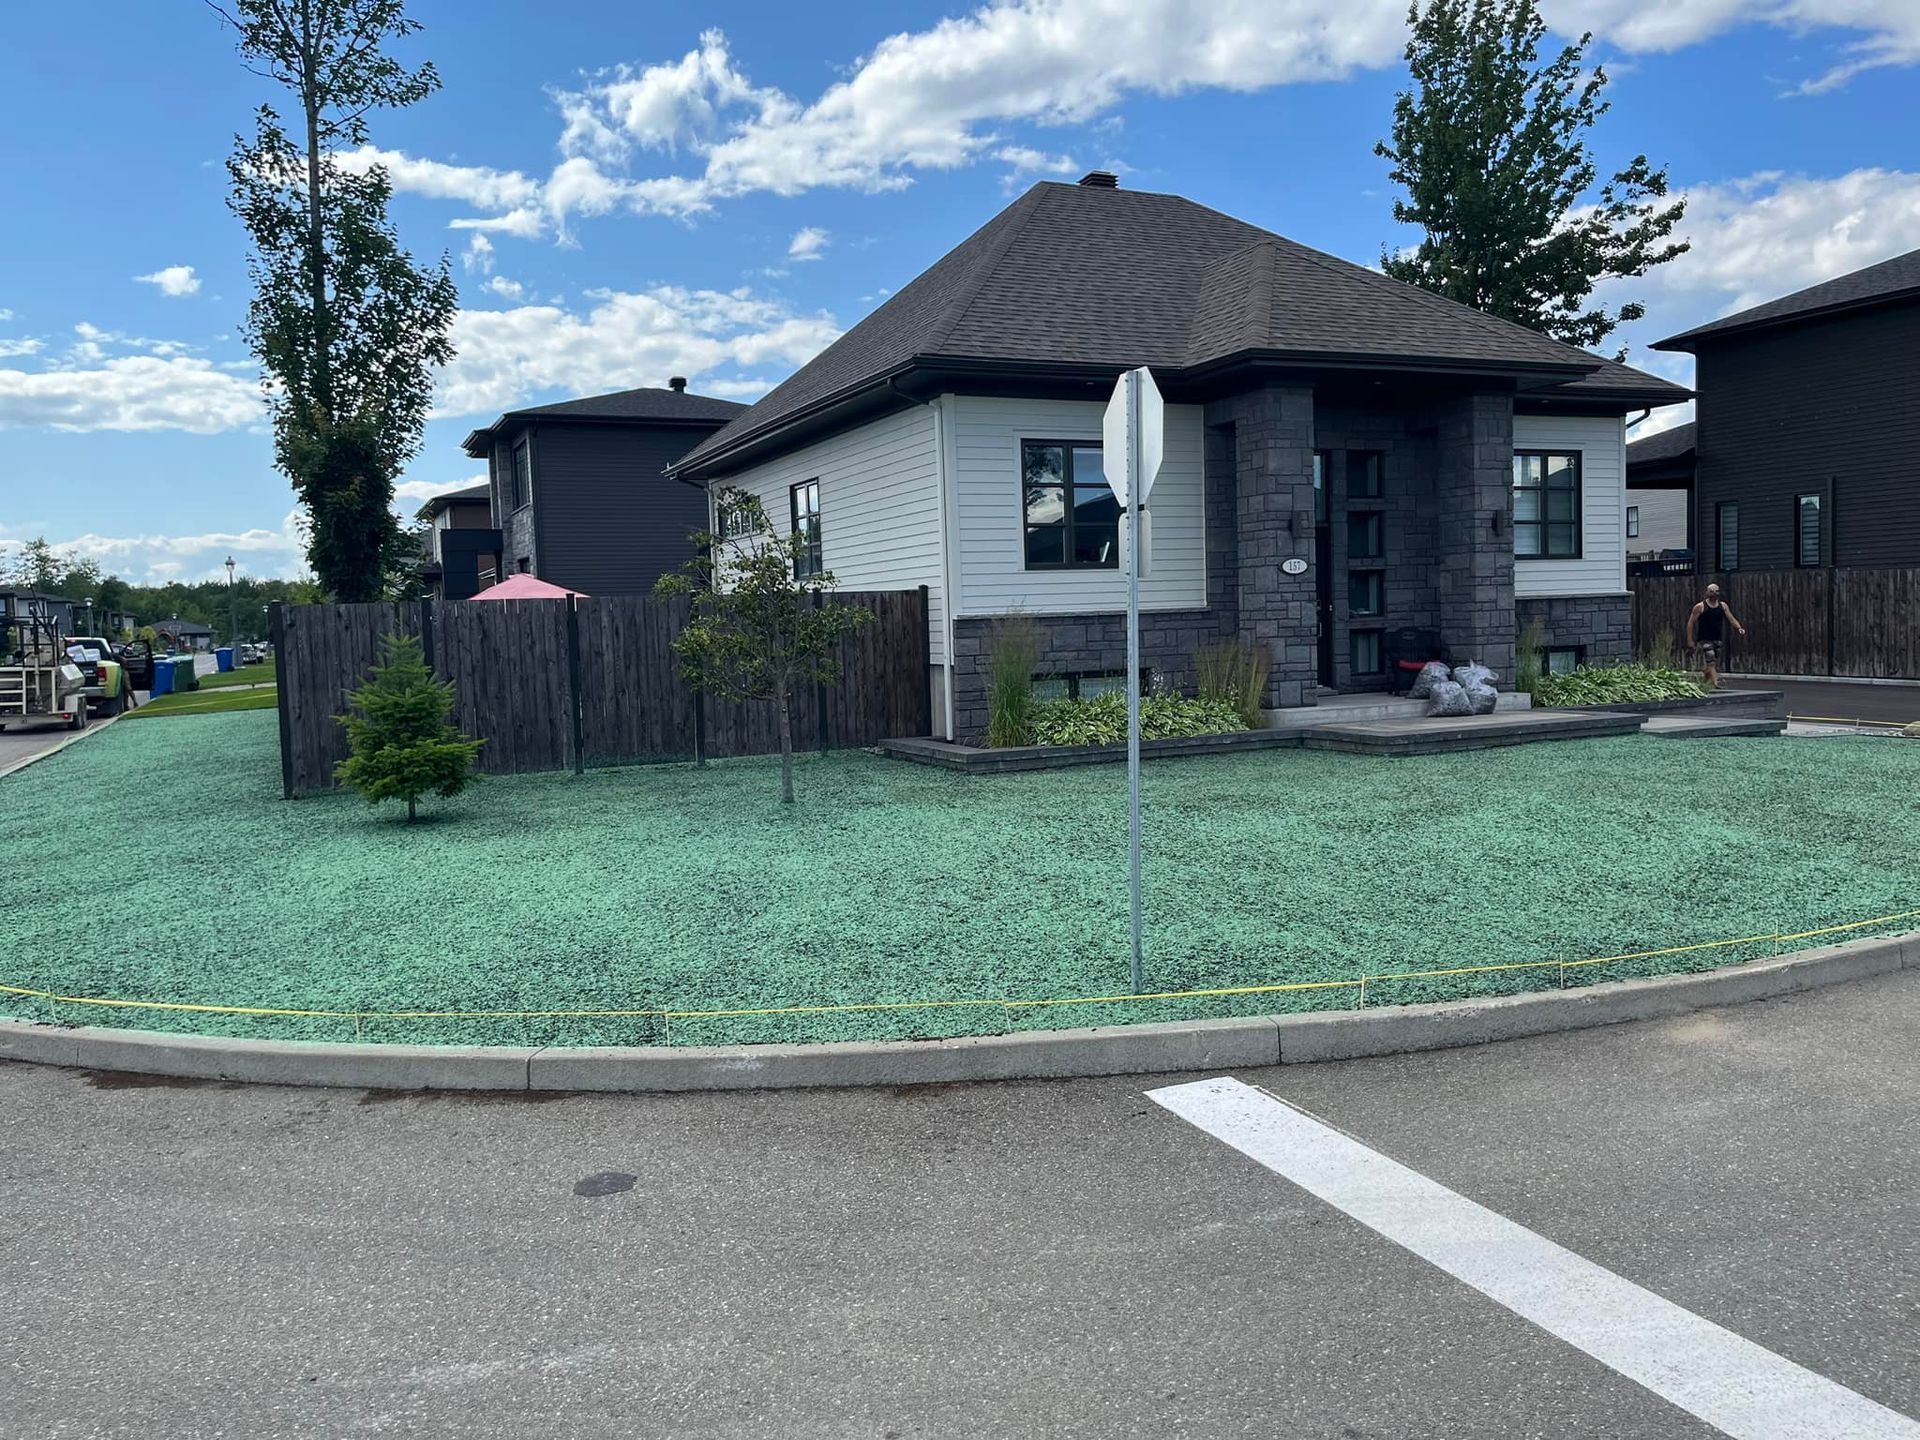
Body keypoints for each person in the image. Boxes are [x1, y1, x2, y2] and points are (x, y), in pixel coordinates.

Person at [1685, 583, 1747, 688]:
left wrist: (1738, 627)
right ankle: (1716, 683)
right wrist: (1690, 640)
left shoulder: (1723, 606)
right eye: (1711, 591)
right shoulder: (1700, 607)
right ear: (1707, 593)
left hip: (1717, 639)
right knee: (1711, 662)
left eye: (1716, 591)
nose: (1714, 593)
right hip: (1704, 639)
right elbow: (1691, 623)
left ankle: (1703, 683)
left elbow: (1731, 618)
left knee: (1711, 663)